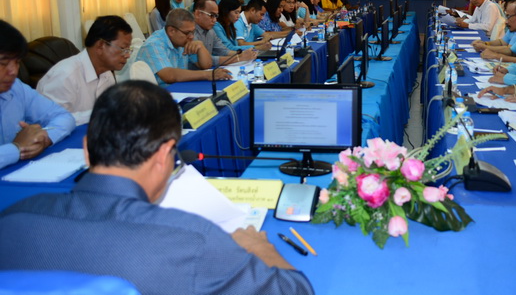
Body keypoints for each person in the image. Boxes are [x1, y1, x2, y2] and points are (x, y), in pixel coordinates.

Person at [0, 81, 315, 294]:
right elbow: (296, 291)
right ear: (165, 155)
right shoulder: (194, 241)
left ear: (86, 150)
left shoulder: (13, 219)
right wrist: (259, 248)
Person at [0, 20, 75, 170]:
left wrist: (42, 139)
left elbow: (63, 116)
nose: (13, 71)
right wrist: (17, 148)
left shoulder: (16, 88)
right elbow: (19, 147)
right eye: (4, 63)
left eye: (17, 62)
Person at [37, 16, 133, 126]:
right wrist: (100, 114)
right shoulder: (66, 75)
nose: (127, 55)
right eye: (123, 48)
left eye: (129, 49)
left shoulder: (107, 75)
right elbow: (52, 122)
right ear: (100, 46)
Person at [135, 9, 229, 85]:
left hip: (179, 89)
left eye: (193, 32)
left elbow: (206, 65)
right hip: (155, 96)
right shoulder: (154, 44)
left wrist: (201, 46)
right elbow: (169, 75)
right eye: (187, 33)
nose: (191, 37)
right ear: (171, 31)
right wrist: (207, 75)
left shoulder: (183, 41)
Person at [193, 0, 257, 65]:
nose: (214, 20)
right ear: (197, 14)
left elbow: (223, 51)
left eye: (216, 16)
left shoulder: (210, 31)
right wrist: (239, 58)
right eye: (211, 15)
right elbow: (204, 60)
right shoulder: (190, 32)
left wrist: (243, 54)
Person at [475, 0, 516, 64]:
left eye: (509, 16)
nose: (506, 21)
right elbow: (512, 51)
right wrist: (486, 45)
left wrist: (496, 56)